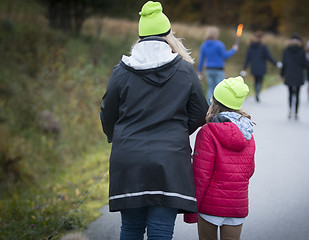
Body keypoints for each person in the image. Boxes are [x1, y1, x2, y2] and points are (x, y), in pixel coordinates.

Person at [100, 1, 209, 239]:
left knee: (130, 229)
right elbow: (201, 112)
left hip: (128, 157)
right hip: (170, 160)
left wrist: (116, 137)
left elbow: (108, 113)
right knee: (161, 231)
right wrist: (178, 130)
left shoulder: (121, 70)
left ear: (140, 37)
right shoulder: (184, 70)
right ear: (167, 35)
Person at [184, 76, 256, 240]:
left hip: (210, 206)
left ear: (214, 102)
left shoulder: (208, 132)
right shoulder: (248, 133)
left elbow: (200, 176)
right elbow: (250, 170)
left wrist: (191, 212)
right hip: (237, 205)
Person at [197, 26, 239, 103]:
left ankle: (210, 106)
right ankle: (218, 105)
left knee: (210, 88)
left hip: (208, 70)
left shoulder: (204, 45)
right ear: (215, 35)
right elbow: (225, 56)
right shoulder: (219, 45)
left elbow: (201, 59)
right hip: (219, 70)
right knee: (220, 89)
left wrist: (199, 71)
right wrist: (233, 50)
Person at [241, 31, 282, 102]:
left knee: (256, 81)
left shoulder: (251, 46)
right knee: (260, 81)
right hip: (262, 67)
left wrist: (244, 68)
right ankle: (257, 92)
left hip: (254, 66)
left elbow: (248, 58)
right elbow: (268, 57)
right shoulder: (263, 47)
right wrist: (276, 63)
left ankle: (256, 92)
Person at [281, 34, 307, 120]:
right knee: (298, 94)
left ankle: (289, 110)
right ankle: (296, 112)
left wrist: (282, 74)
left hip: (289, 74)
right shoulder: (302, 51)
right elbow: (304, 64)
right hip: (298, 75)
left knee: (290, 93)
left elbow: (284, 63)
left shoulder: (287, 50)